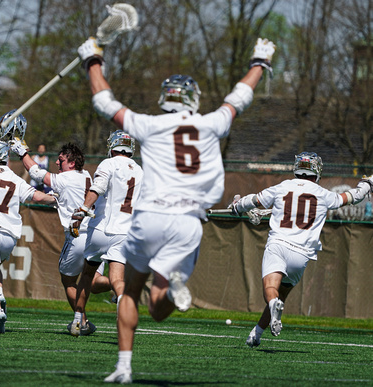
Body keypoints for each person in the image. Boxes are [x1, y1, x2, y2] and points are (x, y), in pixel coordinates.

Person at [77, 36, 276, 383]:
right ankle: (172, 291)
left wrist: (93, 59)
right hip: (187, 221)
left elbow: (103, 101)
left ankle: (123, 367)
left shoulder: (150, 125)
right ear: (193, 100)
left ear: (164, 99)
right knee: (158, 306)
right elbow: (239, 98)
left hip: (150, 216)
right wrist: (259, 62)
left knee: (132, 292)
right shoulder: (211, 123)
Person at [229, 152, 371, 347]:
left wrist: (238, 206)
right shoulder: (323, 194)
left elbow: (255, 200)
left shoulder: (283, 186)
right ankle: (256, 334)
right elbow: (353, 197)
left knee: (270, 290)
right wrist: (367, 184)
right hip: (301, 254)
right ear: (316, 171)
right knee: (281, 295)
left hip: (278, 245)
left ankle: (272, 306)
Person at [0, 140, 57, 333]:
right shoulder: (15, 178)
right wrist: (59, 199)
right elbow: (38, 197)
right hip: (9, 236)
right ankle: (0, 293)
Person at [11, 140, 94, 332]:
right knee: (94, 281)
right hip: (94, 236)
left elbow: (36, 173)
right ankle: (120, 288)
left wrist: (22, 153)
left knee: (68, 281)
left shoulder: (66, 179)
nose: (57, 163)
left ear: (72, 163)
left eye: (61, 160)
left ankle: (83, 321)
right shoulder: (86, 175)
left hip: (77, 234)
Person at [68, 130, 143, 336]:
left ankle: (77, 321)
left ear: (113, 146)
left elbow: (98, 188)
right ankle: (121, 300)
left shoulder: (108, 164)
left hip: (102, 228)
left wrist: (82, 211)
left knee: (87, 274)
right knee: (118, 278)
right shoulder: (139, 170)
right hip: (125, 232)